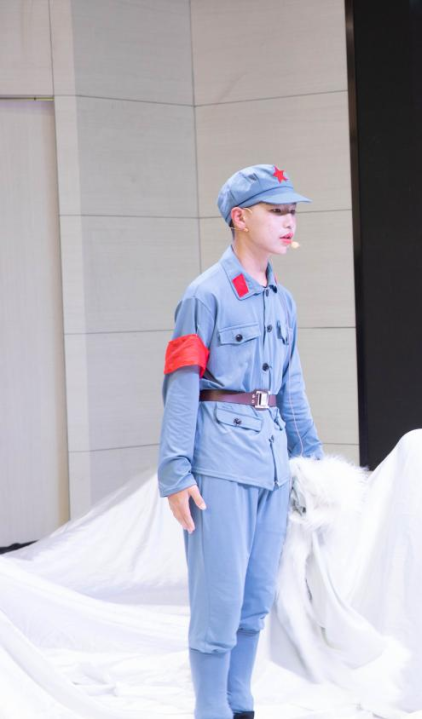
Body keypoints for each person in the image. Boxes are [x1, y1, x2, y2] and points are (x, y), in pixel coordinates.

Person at [158, 164, 324, 719]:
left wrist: (311, 462)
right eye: (276, 210)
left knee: (255, 599)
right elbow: (181, 385)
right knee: (220, 599)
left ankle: (239, 702)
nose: (288, 220)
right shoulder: (204, 296)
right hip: (220, 462)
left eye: (292, 211)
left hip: (272, 464)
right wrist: (175, 473)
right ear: (240, 218)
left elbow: (291, 388)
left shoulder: (283, 300)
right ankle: (211, 708)